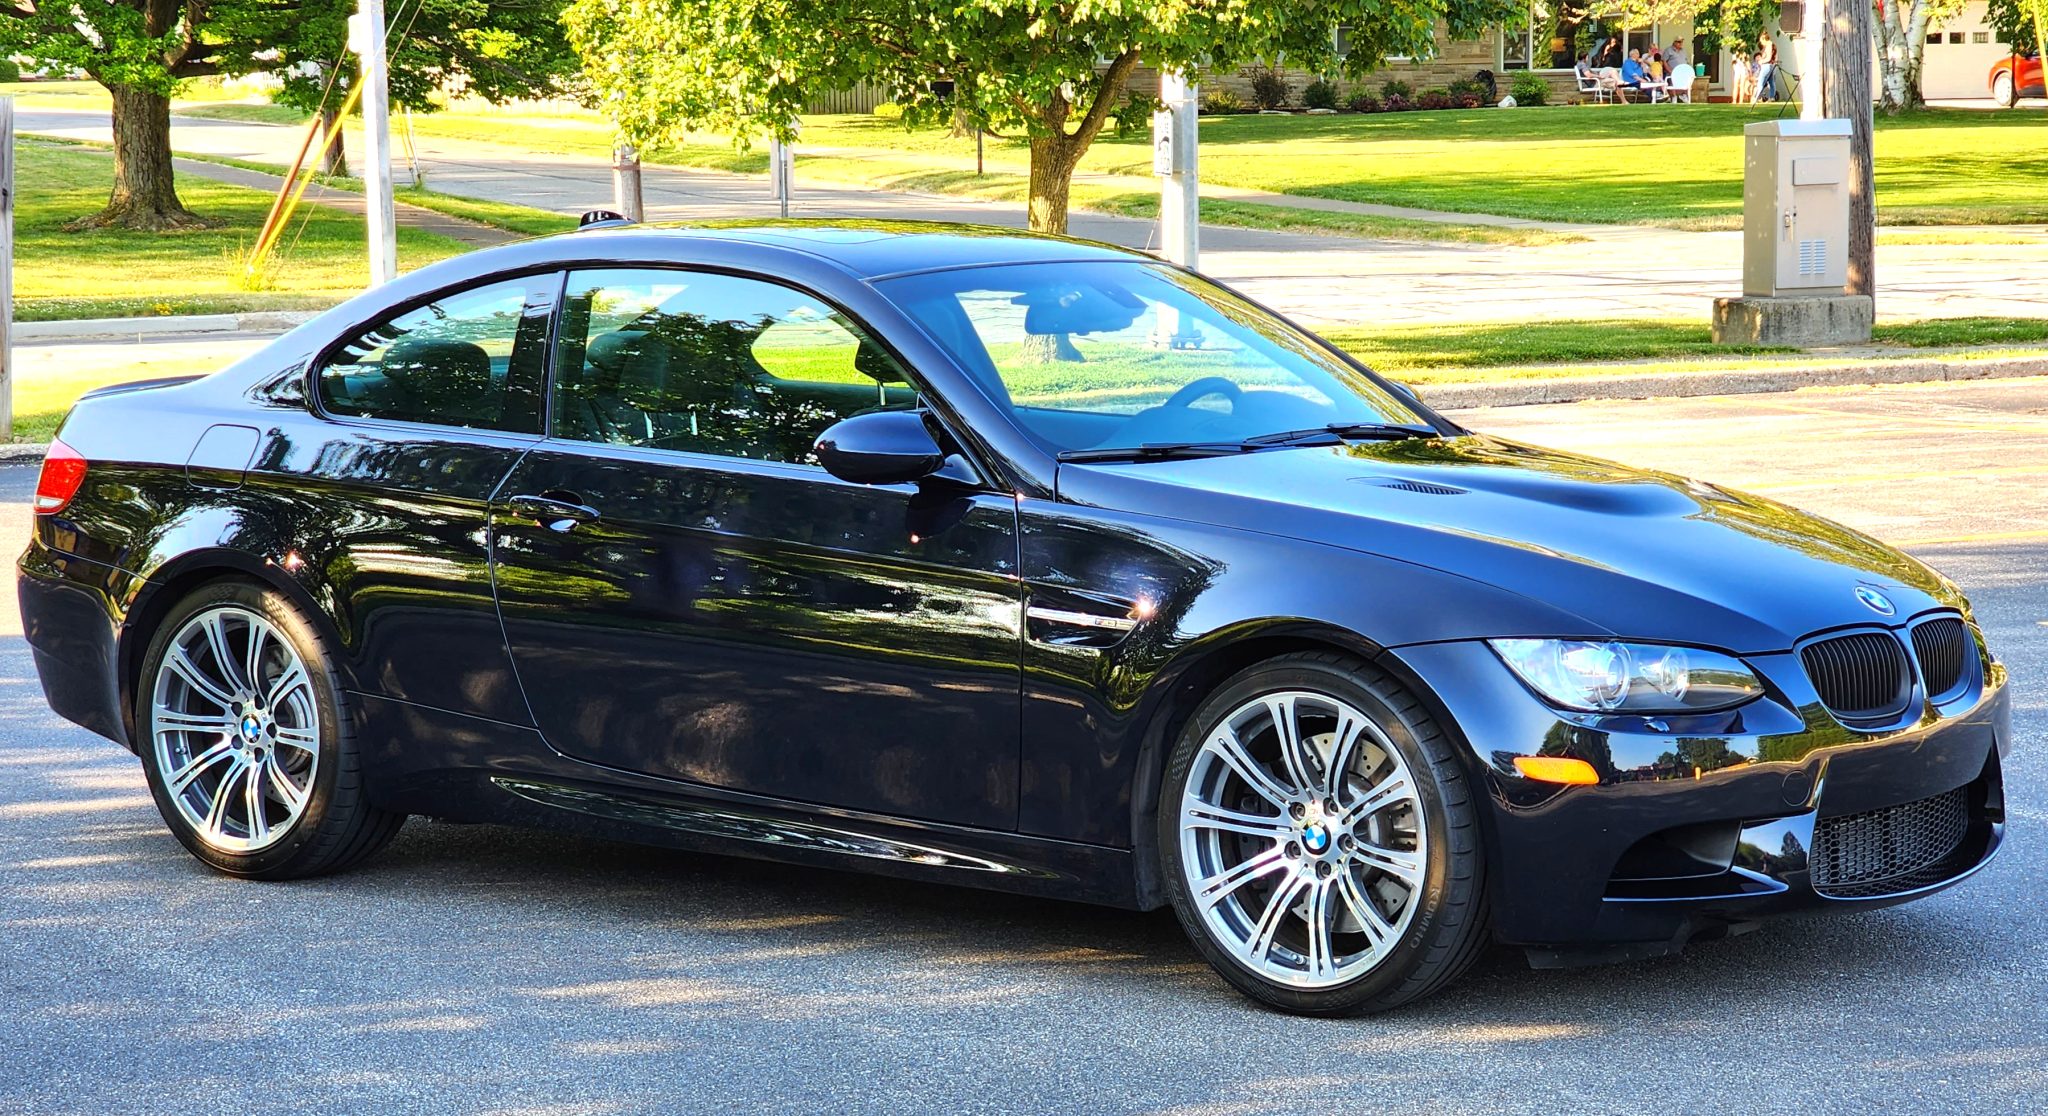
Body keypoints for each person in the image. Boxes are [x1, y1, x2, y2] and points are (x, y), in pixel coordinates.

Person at [1754, 32, 1780, 103]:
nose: (1761, 43)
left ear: (1764, 39)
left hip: (1766, 65)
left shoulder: (1768, 46)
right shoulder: (1773, 45)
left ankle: (1758, 97)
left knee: (1761, 81)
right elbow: (1775, 57)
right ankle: (1772, 97)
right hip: (1771, 65)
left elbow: (1768, 58)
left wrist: (1762, 61)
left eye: (1761, 41)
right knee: (1771, 82)